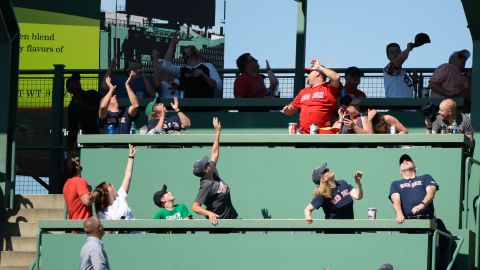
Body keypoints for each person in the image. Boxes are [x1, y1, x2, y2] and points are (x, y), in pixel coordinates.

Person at [192, 117, 238, 224]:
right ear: (205, 170)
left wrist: (217, 131)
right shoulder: (206, 185)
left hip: (231, 220)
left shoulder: (212, 171)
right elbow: (195, 207)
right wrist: (209, 213)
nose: (209, 162)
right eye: (206, 164)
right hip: (219, 225)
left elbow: (214, 152)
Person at [282, 58, 342, 133]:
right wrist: (287, 110)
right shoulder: (303, 91)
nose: (308, 75)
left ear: (318, 73)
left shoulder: (329, 87)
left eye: (310, 72)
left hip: (323, 134)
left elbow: (336, 77)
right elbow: (291, 111)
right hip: (304, 134)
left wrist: (319, 67)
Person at [162, 32, 222, 98]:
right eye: (186, 49)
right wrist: (173, 43)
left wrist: (204, 75)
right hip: (188, 106)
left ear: (196, 54)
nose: (188, 48)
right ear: (184, 56)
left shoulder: (208, 66)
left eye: (191, 48)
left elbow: (219, 86)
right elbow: (165, 66)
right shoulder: (181, 69)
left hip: (205, 105)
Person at [389, 154, 439, 224]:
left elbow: (431, 193)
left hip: (427, 221)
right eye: (401, 162)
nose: (404, 161)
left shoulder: (425, 177)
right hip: (408, 223)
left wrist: (422, 205)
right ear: (400, 171)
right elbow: (395, 200)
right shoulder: (395, 184)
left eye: (408, 160)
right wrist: (399, 214)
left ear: (415, 167)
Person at [94, 144, 136, 220]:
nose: (113, 185)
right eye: (109, 185)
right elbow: (107, 231)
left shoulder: (119, 196)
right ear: (106, 192)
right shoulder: (102, 213)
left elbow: (127, 176)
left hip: (136, 231)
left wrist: (131, 156)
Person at [66, 73, 100, 148]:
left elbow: (97, 110)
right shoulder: (72, 107)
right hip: (89, 139)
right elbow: (73, 130)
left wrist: (82, 104)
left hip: (102, 135)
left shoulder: (92, 94)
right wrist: (68, 148)